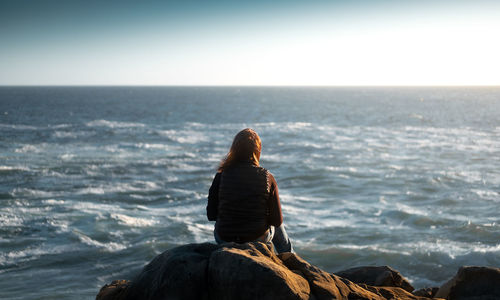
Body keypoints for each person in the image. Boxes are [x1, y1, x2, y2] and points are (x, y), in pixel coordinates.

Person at [206, 128, 293, 253]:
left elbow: (211, 215)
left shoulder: (221, 175)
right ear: (257, 151)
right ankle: (289, 256)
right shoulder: (267, 177)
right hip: (256, 239)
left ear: (234, 149)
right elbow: (277, 220)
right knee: (278, 227)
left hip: (224, 238)